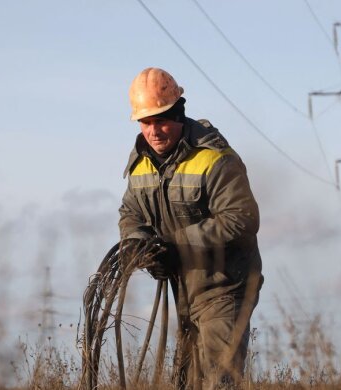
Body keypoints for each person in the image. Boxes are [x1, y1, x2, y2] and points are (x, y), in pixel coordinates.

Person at [118, 67, 263, 389]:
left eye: (161, 120)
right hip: (183, 287)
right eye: (146, 122)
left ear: (179, 114)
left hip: (226, 286)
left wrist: (173, 247)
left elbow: (241, 218)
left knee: (218, 379)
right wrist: (137, 243)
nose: (154, 131)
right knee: (189, 381)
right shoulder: (141, 162)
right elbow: (131, 213)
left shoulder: (215, 158)